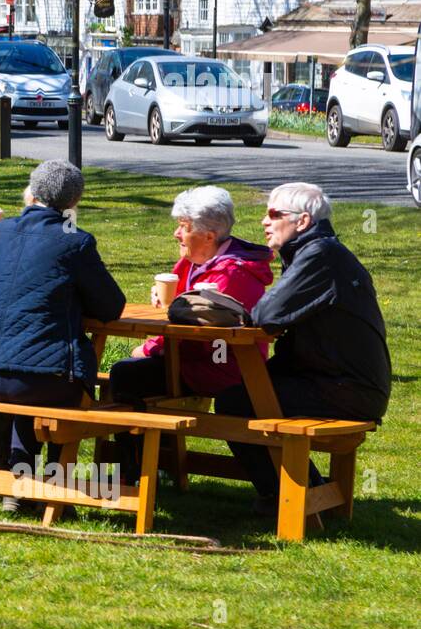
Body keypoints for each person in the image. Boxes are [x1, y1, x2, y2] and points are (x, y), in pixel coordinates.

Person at [0, 159, 126, 511]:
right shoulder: (75, 241)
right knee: (46, 375)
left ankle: (20, 487)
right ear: (73, 203)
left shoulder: (1, 233)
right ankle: (53, 487)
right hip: (41, 378)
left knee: (29, 366)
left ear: (31, 193)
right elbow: (111, 306)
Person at [217, 182, 391, 513]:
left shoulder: (320, 256)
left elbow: (267, 316)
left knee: (235, 400)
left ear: (303, 221)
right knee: (245, 393)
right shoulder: (315, 253)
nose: (264, 221)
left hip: (347, 390)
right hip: (338, 380)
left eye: (273, 214)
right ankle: (305, 490)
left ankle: (290, 497)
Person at [106, 185, 274, 478]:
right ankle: (155, 464)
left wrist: (151, 348)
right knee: (131, 374)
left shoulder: (230, 274)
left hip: (226, 367)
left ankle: (137, 471)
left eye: (183, 227)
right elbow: (181, 314)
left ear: (209, 236)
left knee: (126, 375)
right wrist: (164, 308)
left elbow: (203, 336)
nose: (176, 234)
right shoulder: (192, 262)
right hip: (192, 359)